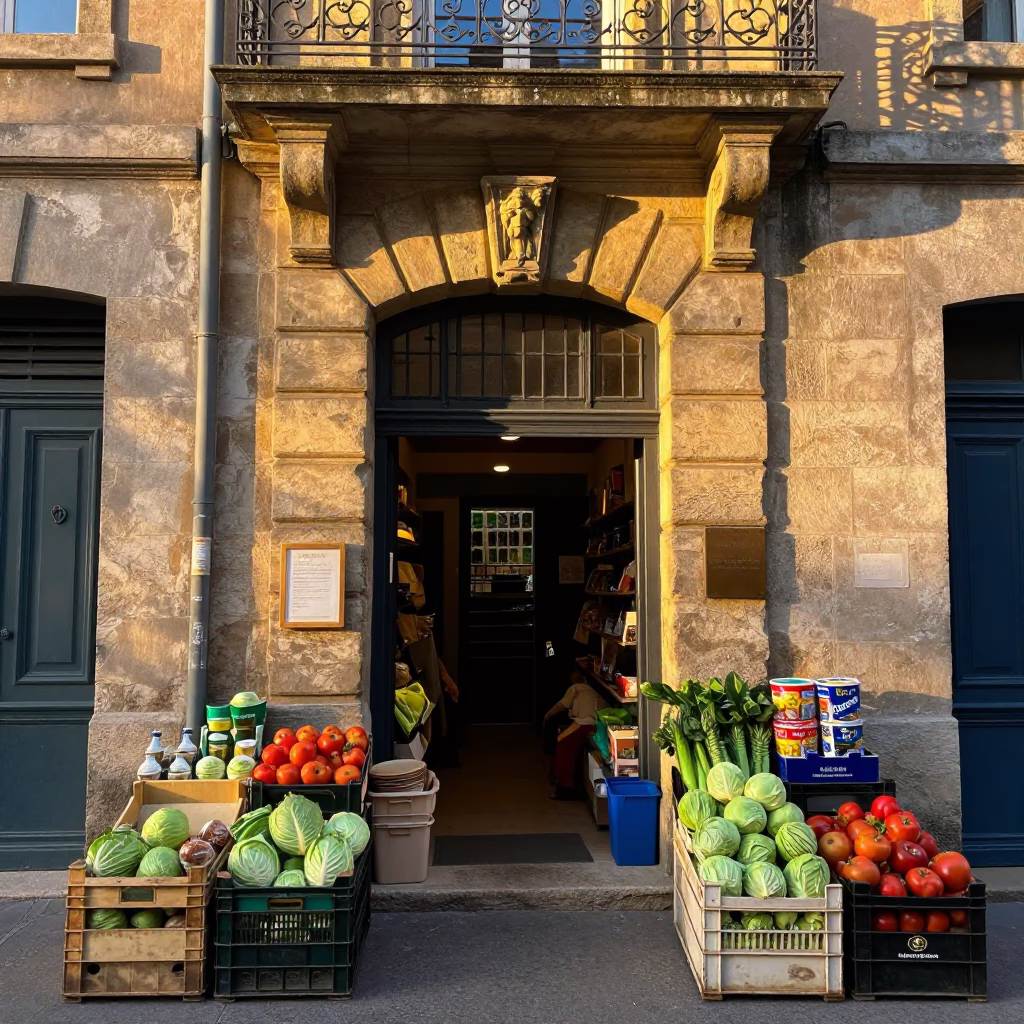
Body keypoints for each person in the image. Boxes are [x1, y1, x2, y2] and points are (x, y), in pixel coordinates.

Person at [542, 671, 608, 798]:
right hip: (597, 726)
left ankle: (566, 787)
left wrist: (548, 715)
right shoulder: (598, 690)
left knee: (562, 743)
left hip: (583, 724)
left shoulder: (576, 688)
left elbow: (562, 705)